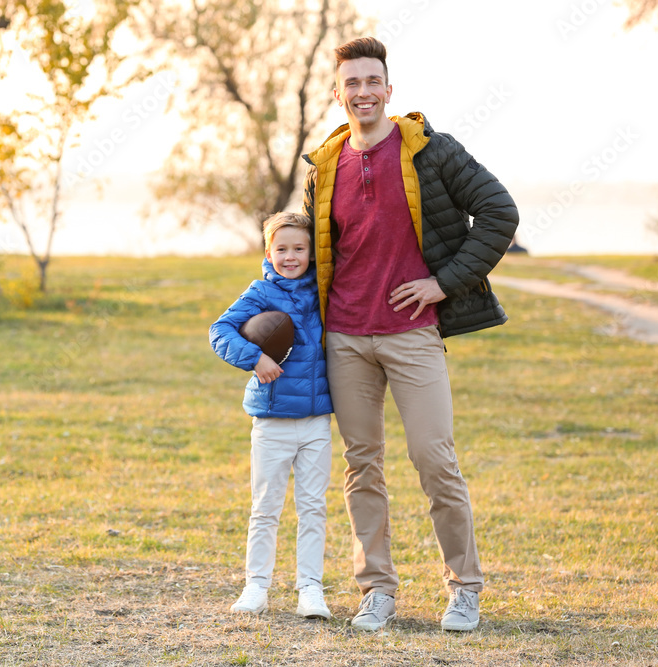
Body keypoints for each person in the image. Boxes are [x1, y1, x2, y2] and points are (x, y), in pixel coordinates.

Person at [301, 36, 519, 632]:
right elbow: (313, 253)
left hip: (412, 333)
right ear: (339, 92)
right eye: (352, 83)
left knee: (434, 459)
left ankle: (465, 589)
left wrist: (442, 283)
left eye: (373, 81)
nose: (363, 92)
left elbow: (500, 213)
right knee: (361, 464)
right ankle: (376, 590)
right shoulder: (323, 166)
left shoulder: (432, 151)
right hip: (345, 337)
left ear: (389, 90)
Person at [209, 212, 334, 620]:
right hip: (272, 419)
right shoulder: (261, 292)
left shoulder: (325, 291)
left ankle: (310, 589)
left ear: (311, 252)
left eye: (299, 248)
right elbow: (219, 331)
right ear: (268, 252)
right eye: (281, 249)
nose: (290, 256)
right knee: (265, 507)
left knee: (313, 506)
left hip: (317, 420)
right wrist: (255, 357)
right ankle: (256, 587)